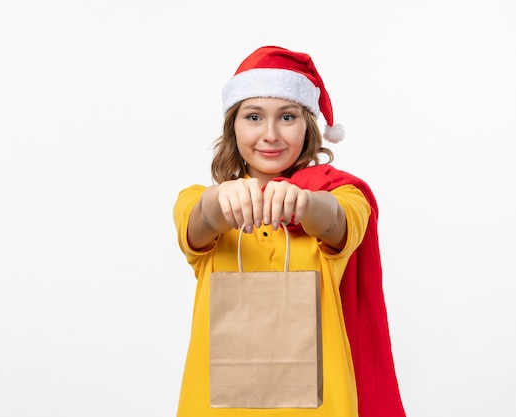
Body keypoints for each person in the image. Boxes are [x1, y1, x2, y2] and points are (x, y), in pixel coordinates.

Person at [173, 45, 406, 417]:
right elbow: (200, 222)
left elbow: (336, 221)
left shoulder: (344, 194)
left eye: (286, 116)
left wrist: (304, 202)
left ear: (307, 125)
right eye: (253, 117)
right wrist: (223, 199)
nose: (270, 134)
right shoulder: (197, 199)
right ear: (232, 126)